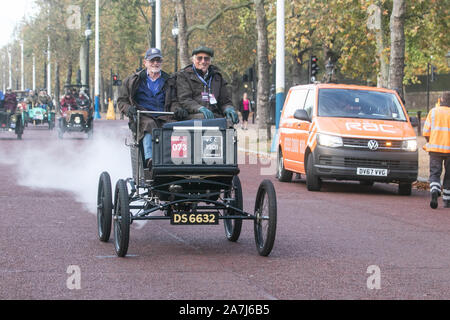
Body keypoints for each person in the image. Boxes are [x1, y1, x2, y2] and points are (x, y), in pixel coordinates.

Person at [117, 48, 172, 169]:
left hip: (165, 115)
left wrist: (178, 109)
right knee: (149, 124)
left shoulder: (170, 80)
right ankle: (150, 159)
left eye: (158, 60)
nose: (155, 63)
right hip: (143, 116)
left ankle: (175, 161)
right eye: (152, 61)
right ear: (145, 62)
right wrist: (129, 109)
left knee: (176, 127)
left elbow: (176, 101)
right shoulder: (133, 80)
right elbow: (122, 101)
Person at [174, 46, 239, 125]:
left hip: (214, 116)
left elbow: (225, 101)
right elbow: (185, 99)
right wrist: (199, 108)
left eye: (206, 58)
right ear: (193, 60)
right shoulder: (184, 75)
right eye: (199, 58)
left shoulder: (217, 77)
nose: (203, 61)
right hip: (193, 115)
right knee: (204, 118)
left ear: (210, 61)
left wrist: (229, 109)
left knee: (230, 121)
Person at [423, 91, 450, 209]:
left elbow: (426, 131)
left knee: (435, 173)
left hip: (434, 149)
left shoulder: (433, 112)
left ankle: (434, 189)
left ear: (441, 100)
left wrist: (431, 140)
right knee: (449, 175)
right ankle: (447, 200)